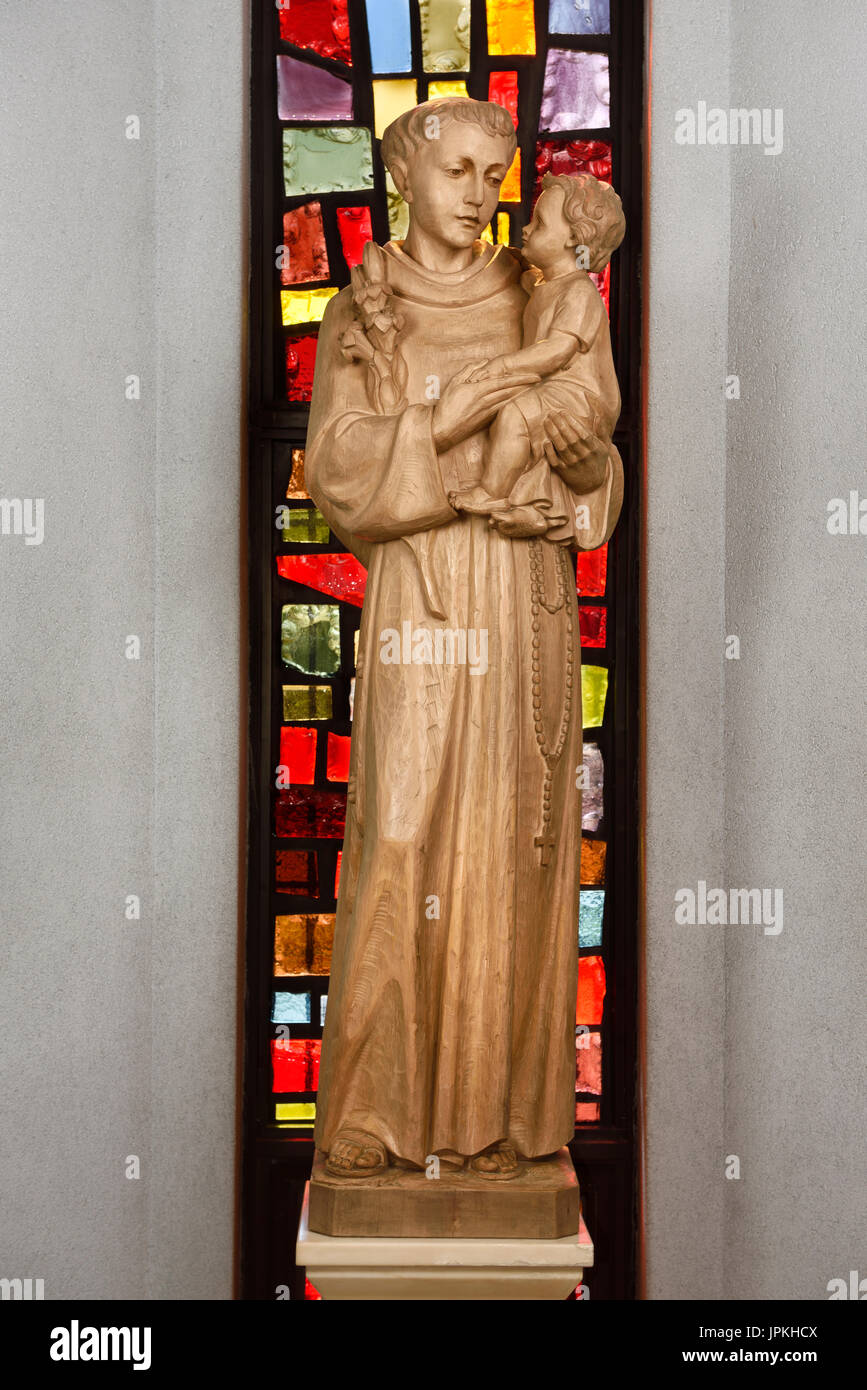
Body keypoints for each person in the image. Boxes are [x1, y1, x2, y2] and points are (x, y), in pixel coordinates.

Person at [305, 98, 623, 1181]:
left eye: (496, 174)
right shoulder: (364, 310)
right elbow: (337, 468)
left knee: (512, 844)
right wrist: (447, 423)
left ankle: (501, 1121)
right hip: (420, 600)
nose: (481, 193)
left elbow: (595, 459)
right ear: (406, 176)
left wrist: (582, 465)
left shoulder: (540, 295)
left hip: (521, 594)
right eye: (459, 170)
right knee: (398, 833)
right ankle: (374, 1115)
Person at [448, 171, 625, 535]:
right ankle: (533, 507)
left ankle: (492, 493)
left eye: (540, 223)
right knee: (525, 422)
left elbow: (558, 350)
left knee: (517, 414)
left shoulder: (579, 293)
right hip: (554, 390)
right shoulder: (544, 284)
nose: (526, 230)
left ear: (574, 239)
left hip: (580, 397)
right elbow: (534, 289)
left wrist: (503, 365)